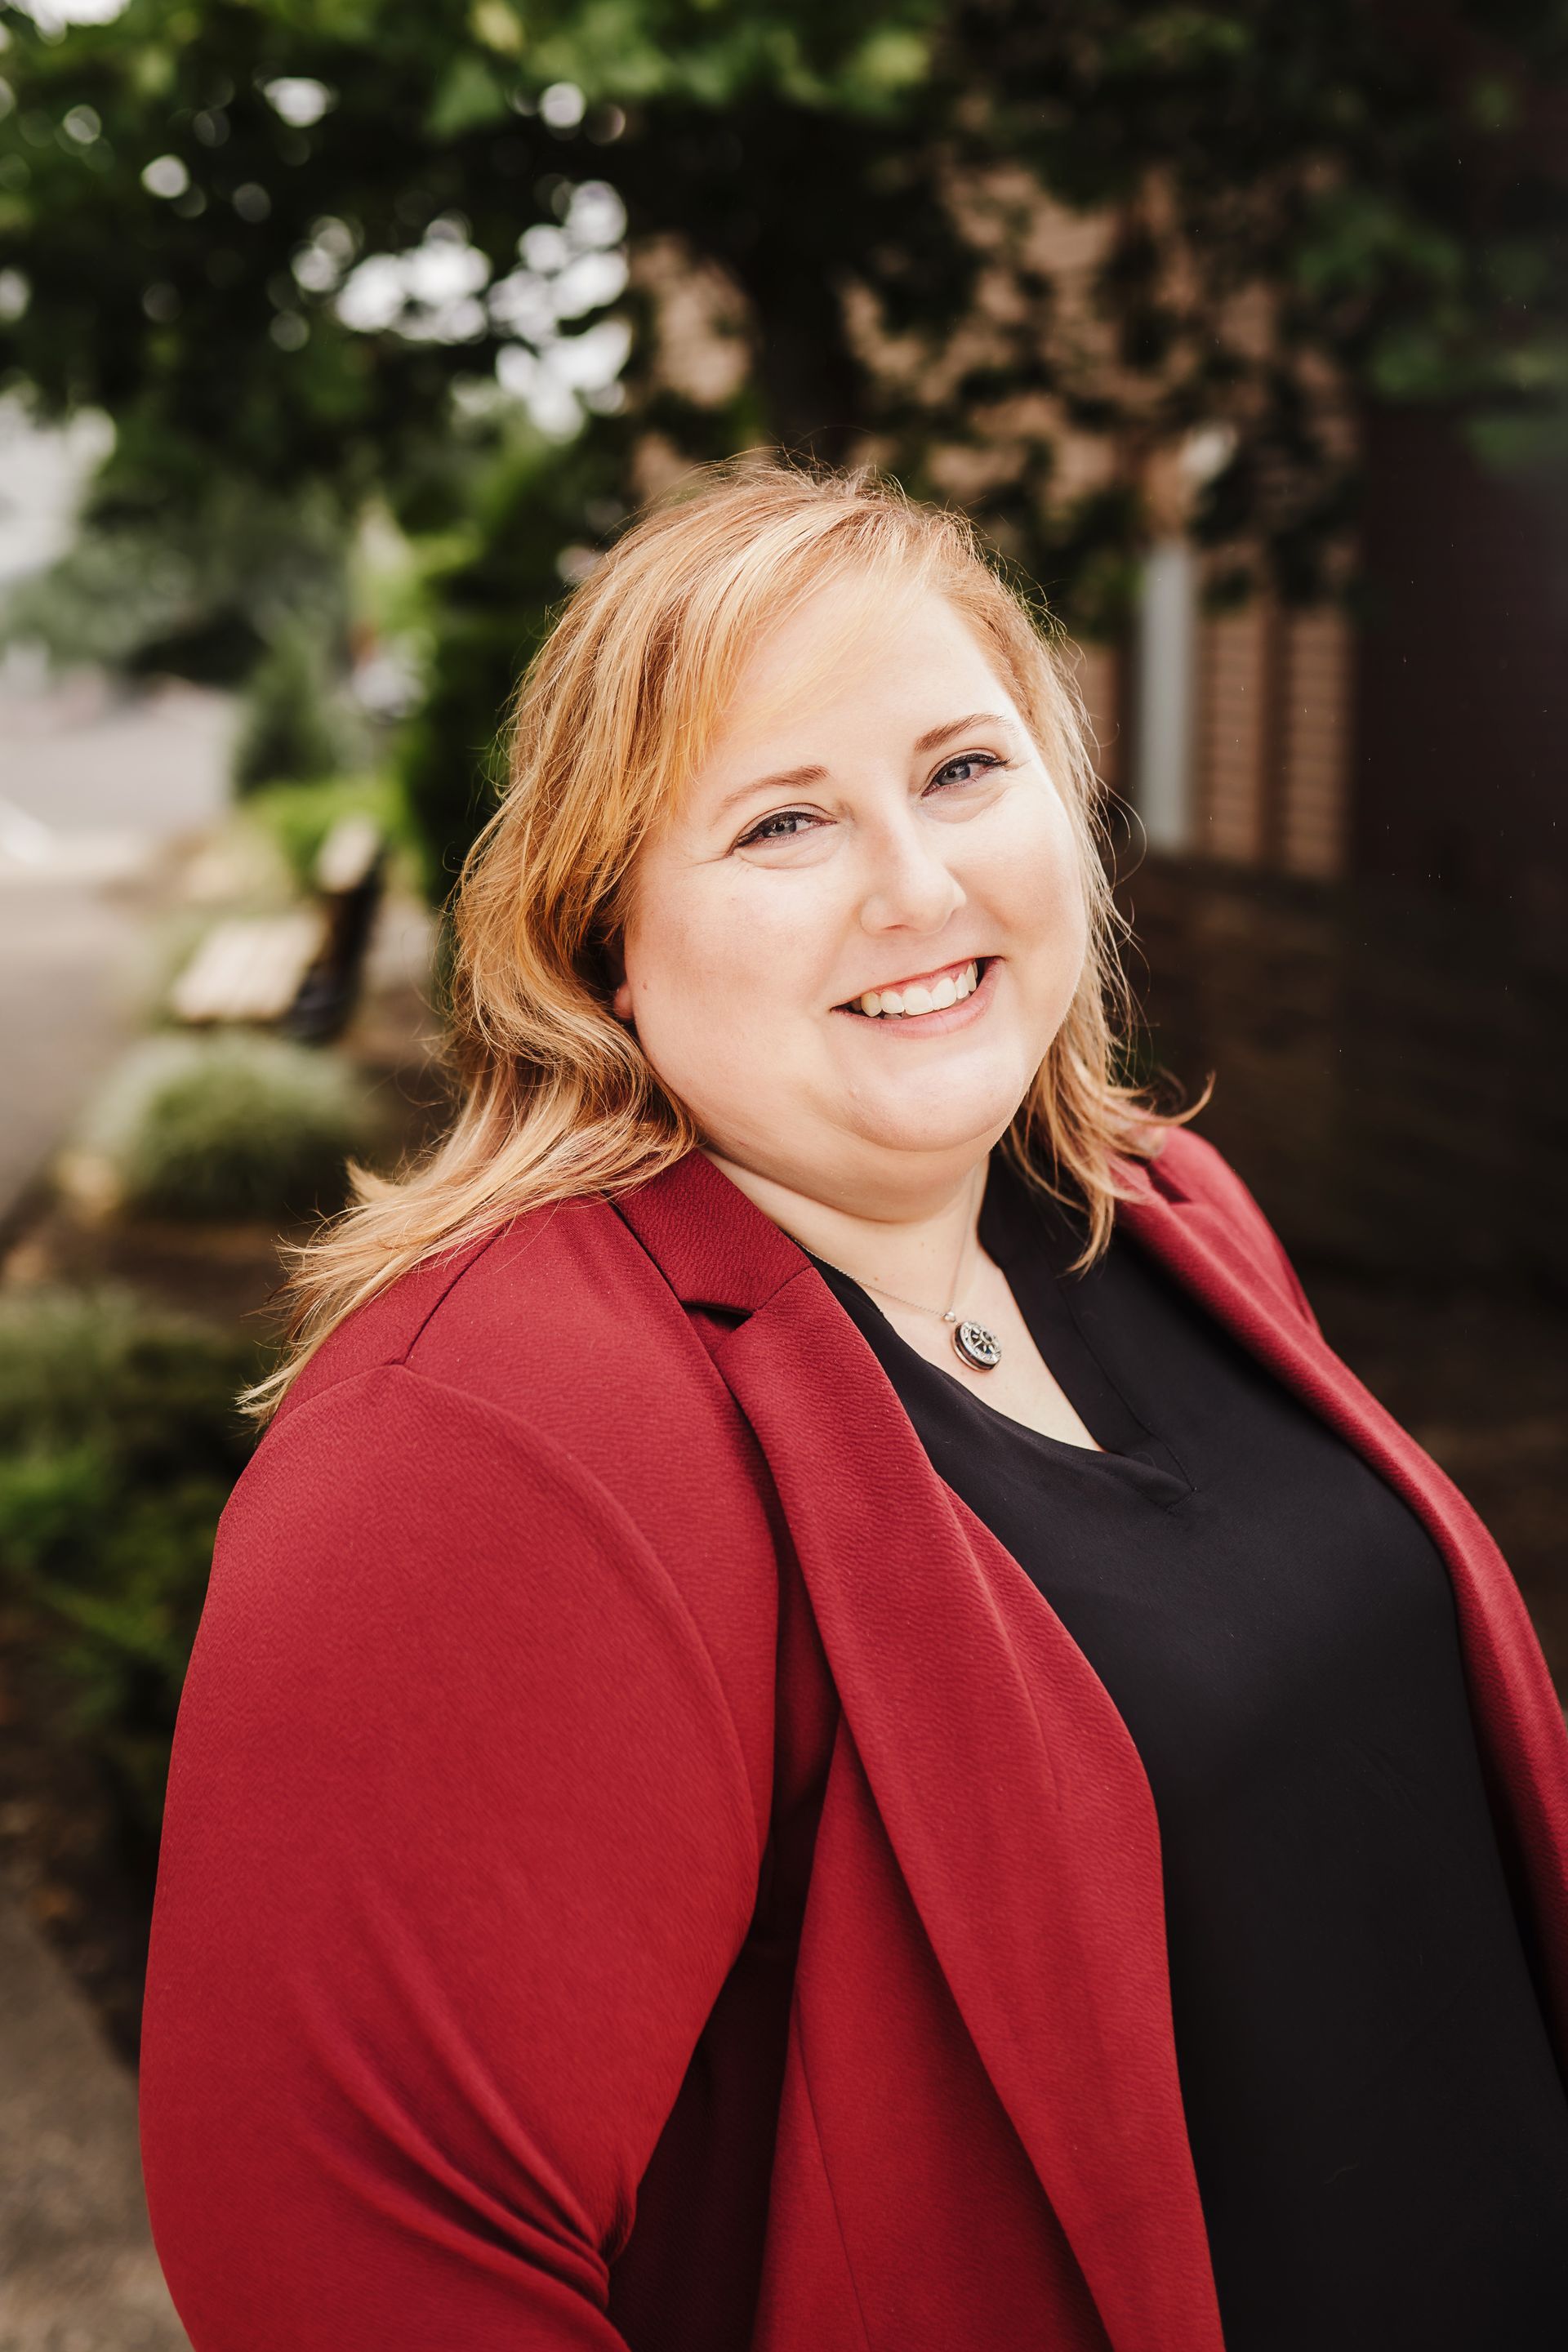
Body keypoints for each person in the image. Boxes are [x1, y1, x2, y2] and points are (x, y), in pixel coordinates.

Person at [139, 461, 1568, 2352]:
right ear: (602, 943)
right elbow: (346, 2262)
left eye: (963, 770)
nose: (919, 885)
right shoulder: (486, 1439)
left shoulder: (1163, 1214)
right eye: (785, 822)